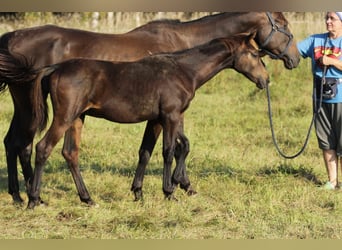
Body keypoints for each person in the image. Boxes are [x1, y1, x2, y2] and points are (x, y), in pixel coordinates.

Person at [297, 12, 342, 190]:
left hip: (341, 99)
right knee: (326, 140)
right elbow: (292, 50)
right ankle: (332, 182)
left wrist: (331, 61)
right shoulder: (315, 40)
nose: (328, 21)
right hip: (320, 97)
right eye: (327, 18)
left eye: (333, 18)